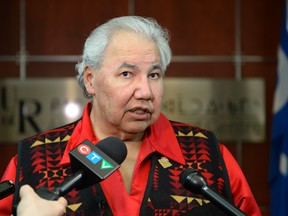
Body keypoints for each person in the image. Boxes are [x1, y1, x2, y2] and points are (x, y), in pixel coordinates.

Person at [0, 16, 261, 216]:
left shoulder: (210, 156)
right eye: (127, 74)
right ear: (91, 80)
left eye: (154, 75)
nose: (146, 91)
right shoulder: (34, 158)